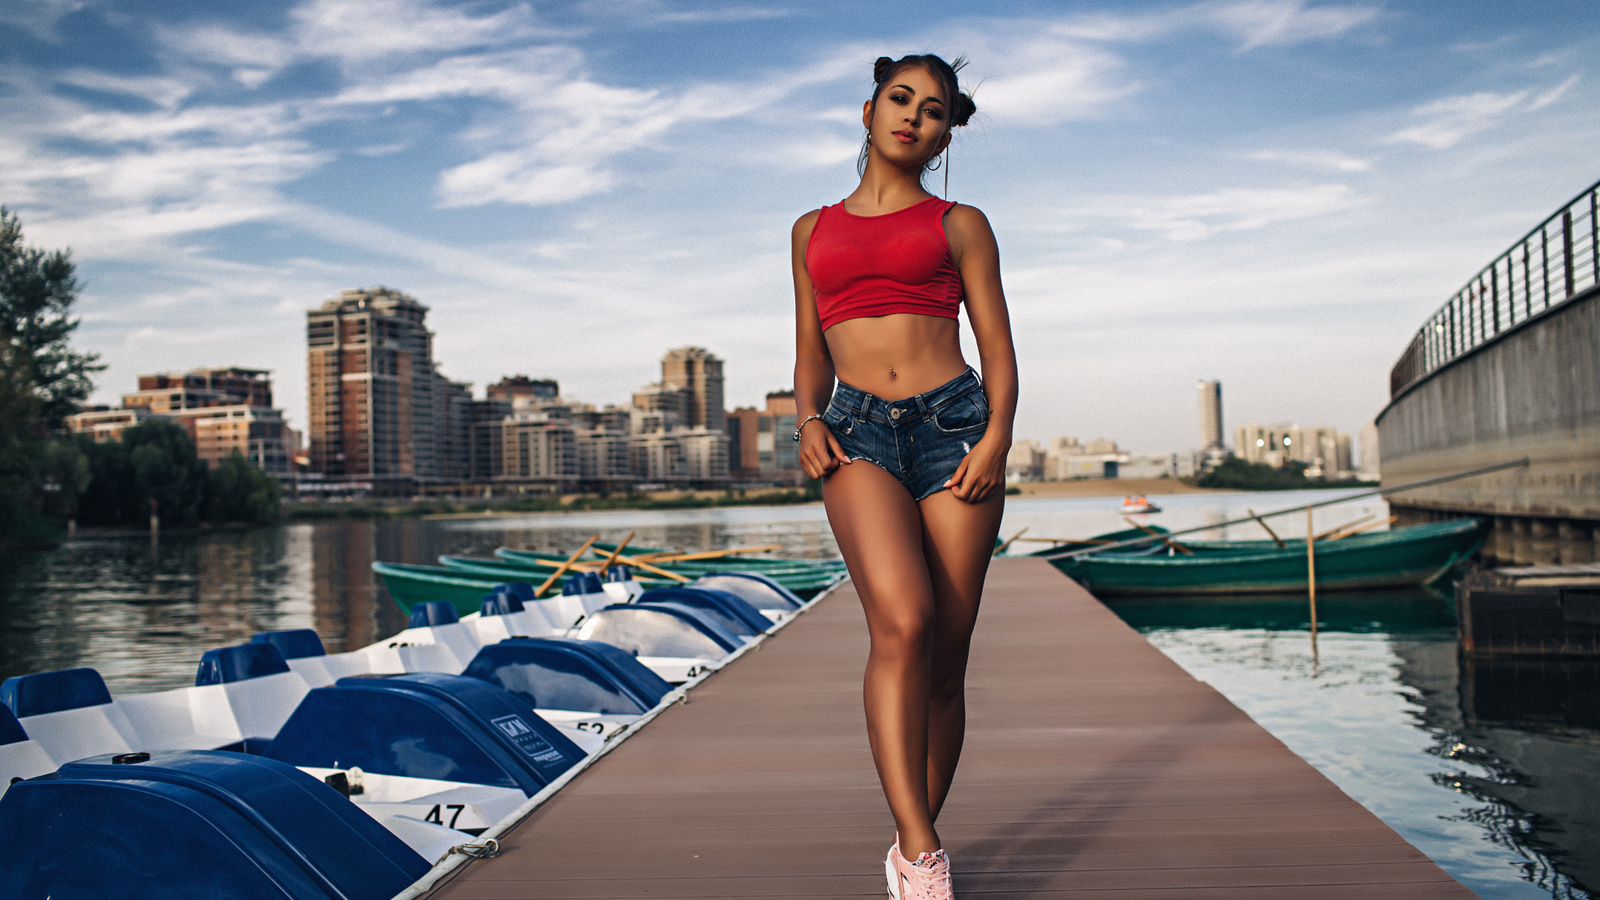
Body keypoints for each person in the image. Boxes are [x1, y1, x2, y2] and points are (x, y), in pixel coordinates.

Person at [790, 53, 1017, 900]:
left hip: (955, 427)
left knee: (949, 659)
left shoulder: (963, 224)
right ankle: (924, 855)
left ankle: (909, 840)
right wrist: (808, 420)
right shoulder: (811, 231)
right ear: (868, 109)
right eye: (901, 99)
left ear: (945, 135)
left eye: (934, 111)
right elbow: (810, 355)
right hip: (855, 435)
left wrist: (996, 435)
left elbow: (998, 347)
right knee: (906, 620)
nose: (913, 117)